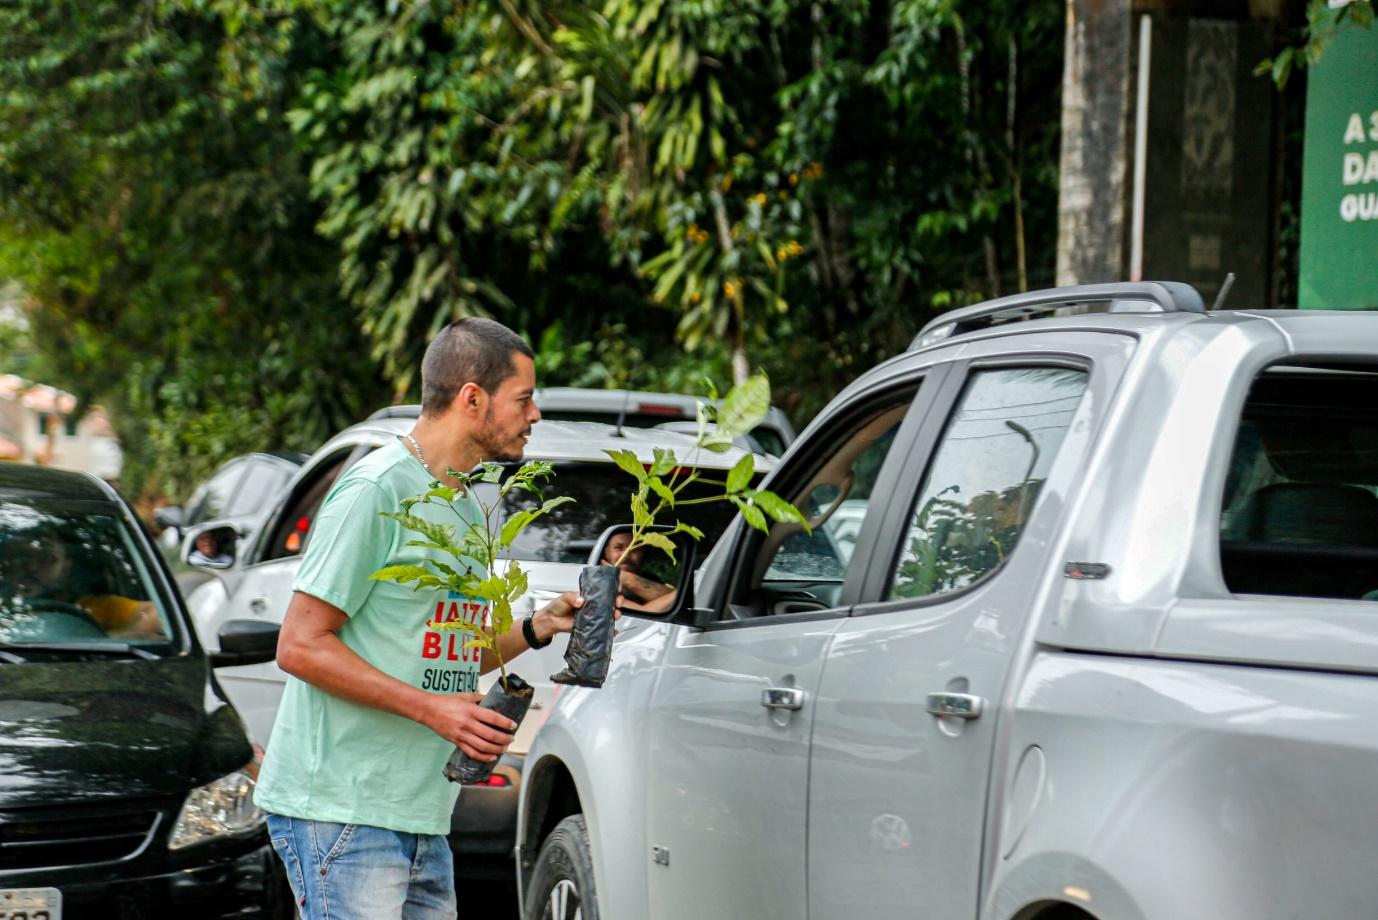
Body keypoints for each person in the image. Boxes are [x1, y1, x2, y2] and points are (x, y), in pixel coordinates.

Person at [254, 318, 586, 920]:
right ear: (472, 398)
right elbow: (300, 646)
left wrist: (541, 625)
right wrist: (435, 710)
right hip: (344, 811)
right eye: (524, 398)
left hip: (419, 813)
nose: (534, 414)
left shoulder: (465, 502)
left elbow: (449, 650)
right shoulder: (376, 490)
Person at [0, 530, 164, 639]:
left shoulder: (91, 608)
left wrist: (110, 639)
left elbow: (159, 613)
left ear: (65, 569)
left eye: (46, 559)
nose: (32, 567)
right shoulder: (3, 607)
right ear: (6, 566)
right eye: (21, 557)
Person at [602, 530, 678, 613]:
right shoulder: (600, 584)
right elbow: (647, 612)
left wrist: (626, 579)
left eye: (635, 548)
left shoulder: (651, 578)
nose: (626, 555)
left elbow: (676, 601)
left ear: (642, 553)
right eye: (618, 548)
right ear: (607, 552)